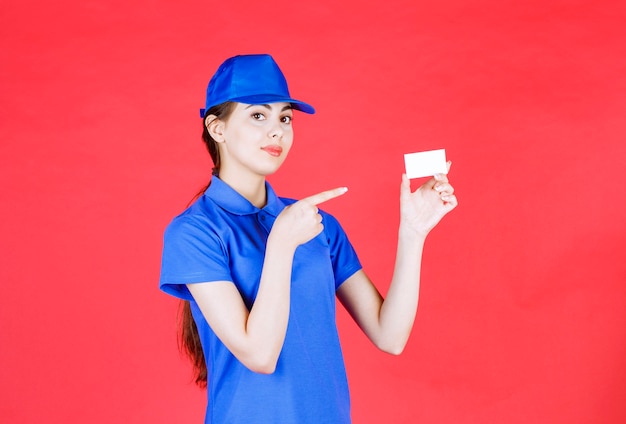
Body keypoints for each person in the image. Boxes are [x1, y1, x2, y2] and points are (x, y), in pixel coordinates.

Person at [159, 54, 457, 424]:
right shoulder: (195, 231)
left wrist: (413, 232)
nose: (277, 131)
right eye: (258, 115)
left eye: (285, 118)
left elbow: (390, 336)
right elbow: (260, 354)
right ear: (217, 129)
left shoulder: (316, 224)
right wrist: (281, 244)